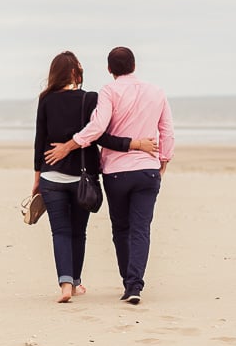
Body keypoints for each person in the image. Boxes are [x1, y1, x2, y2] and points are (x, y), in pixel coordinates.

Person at [45, 46, 174, 305]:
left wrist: (70, 145)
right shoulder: (157, 91)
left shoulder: (109, 91)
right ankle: (134, 284)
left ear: (109, 69)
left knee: (121, 229)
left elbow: (97, 127)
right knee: (141, 229)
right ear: (134, 65)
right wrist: (163, 160)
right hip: (147, 170)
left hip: (117, 173)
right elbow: (167, 129)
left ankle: (129, 282)